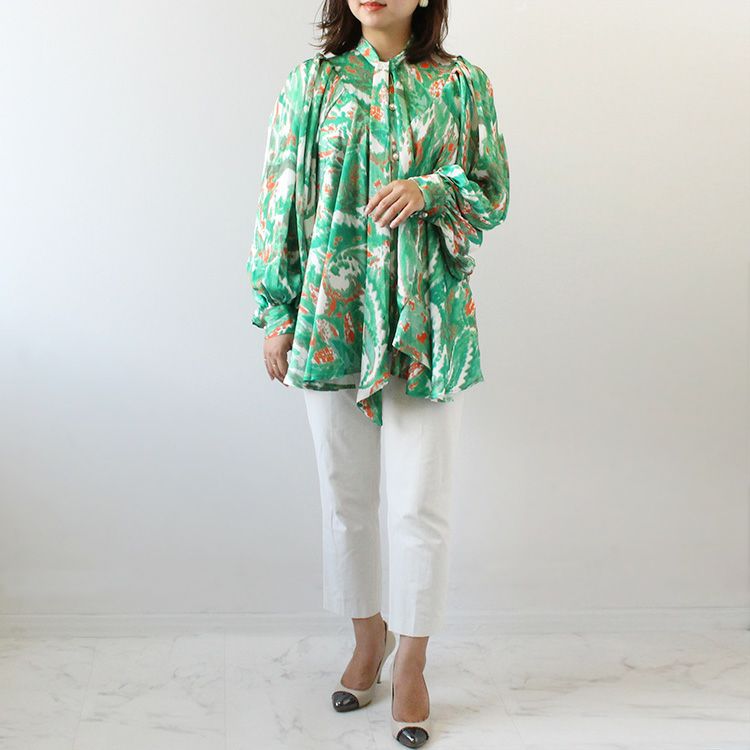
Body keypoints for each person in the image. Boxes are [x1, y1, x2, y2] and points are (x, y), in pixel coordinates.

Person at [246, 0, 509, 745]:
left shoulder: (462, 84)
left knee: (420, 504)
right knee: (346, 498)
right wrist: (276, 308)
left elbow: (493, 193)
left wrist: (432, 189)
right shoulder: (313, 84)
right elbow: (281, 196)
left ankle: (414, 662)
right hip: (332, 315)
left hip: (429, 323)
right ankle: (369, 637)